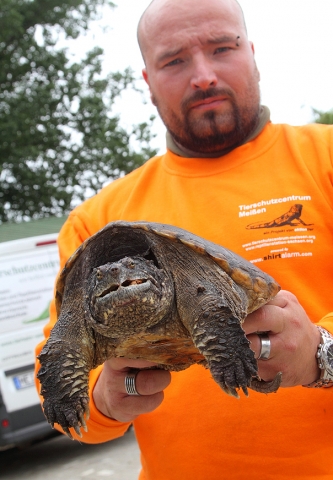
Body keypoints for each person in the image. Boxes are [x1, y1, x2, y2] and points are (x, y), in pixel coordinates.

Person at [35, 0, 333, 478]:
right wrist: (105, 400)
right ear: (147, 80)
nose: (203, 76)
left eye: (222, 48)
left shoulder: (326, 158)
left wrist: (323, 353)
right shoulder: (94, 219)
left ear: (252, 53)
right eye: (174, 60)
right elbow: (71, 405)